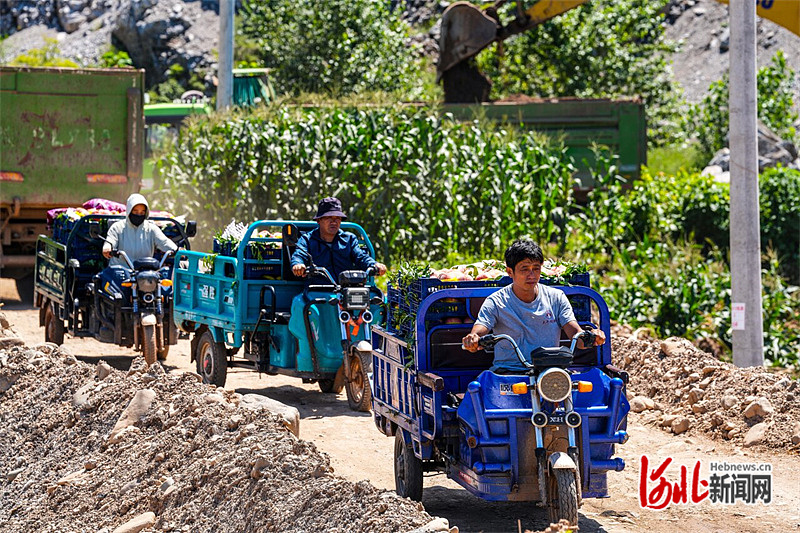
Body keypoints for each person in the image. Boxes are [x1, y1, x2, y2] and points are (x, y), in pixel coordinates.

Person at [462, 239, 605, 373]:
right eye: (524, 269)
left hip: (550, 372)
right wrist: (472, 339)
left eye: (536, 268)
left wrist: (592, 338)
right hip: (508, 372)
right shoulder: (495, 301)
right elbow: (479, 331)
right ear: (510, 272)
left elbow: (577, 337)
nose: (531, 275)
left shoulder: (556, 297)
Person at [290, 197, 387, 279]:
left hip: (346, 289)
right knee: (299, 301)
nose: (334, 222)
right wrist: (298, 265)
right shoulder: (307, 239)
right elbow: (299, 255)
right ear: (319, 220)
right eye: (329, 218)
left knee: (377, 299)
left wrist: (374, 264)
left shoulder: (349, 239)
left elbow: (360, 257)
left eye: (337, 218)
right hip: (317, 289)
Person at [102, 193, 177, 267]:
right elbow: (110, 240)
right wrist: (107, 247)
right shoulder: (117, 227)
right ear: (129, 211)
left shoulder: (151, 228)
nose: (139, 215)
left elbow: (164, 242)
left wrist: (176, 250)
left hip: (144, 272)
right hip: (120, 271)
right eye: (135, 211)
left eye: (142, 212)